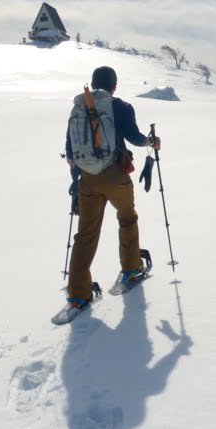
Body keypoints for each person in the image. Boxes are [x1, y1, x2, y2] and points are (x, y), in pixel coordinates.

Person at [62, 66, 160, 312]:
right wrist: (151, 142)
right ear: (114, 85)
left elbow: (70, 151)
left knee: (85, 235)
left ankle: (78, 295)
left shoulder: (79, 108)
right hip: (115, 176)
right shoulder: (121, 107)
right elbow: (135, 138)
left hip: (87, 179)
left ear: (93, 84)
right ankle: (131, 269)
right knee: (127, 218)